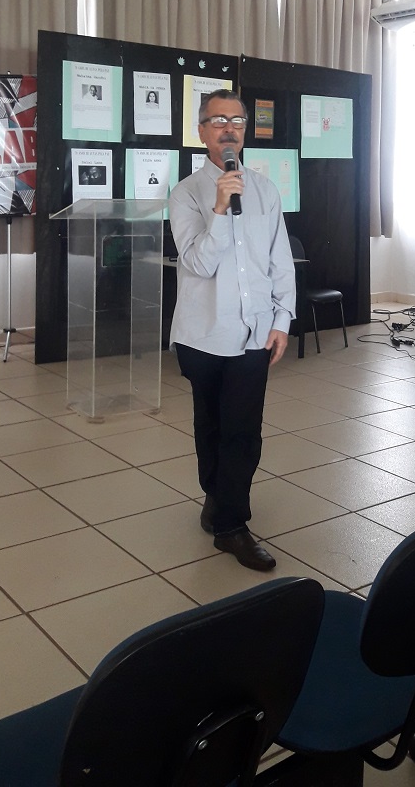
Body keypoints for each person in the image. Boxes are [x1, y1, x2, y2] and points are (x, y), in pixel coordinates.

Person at [169, 88, 295, 571]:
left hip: (254, 332)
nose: (228, 129)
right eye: (218, 120)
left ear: (245, 130)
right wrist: (220, 208)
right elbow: (199, 263)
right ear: (202, 131)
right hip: (202, 334)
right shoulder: (186, 193)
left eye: (236, 121)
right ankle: (217, 496)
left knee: (243, 430)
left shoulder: (265, 190)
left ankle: (231, 526)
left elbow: (279, 261)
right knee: (210, 425)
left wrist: (282, 320)